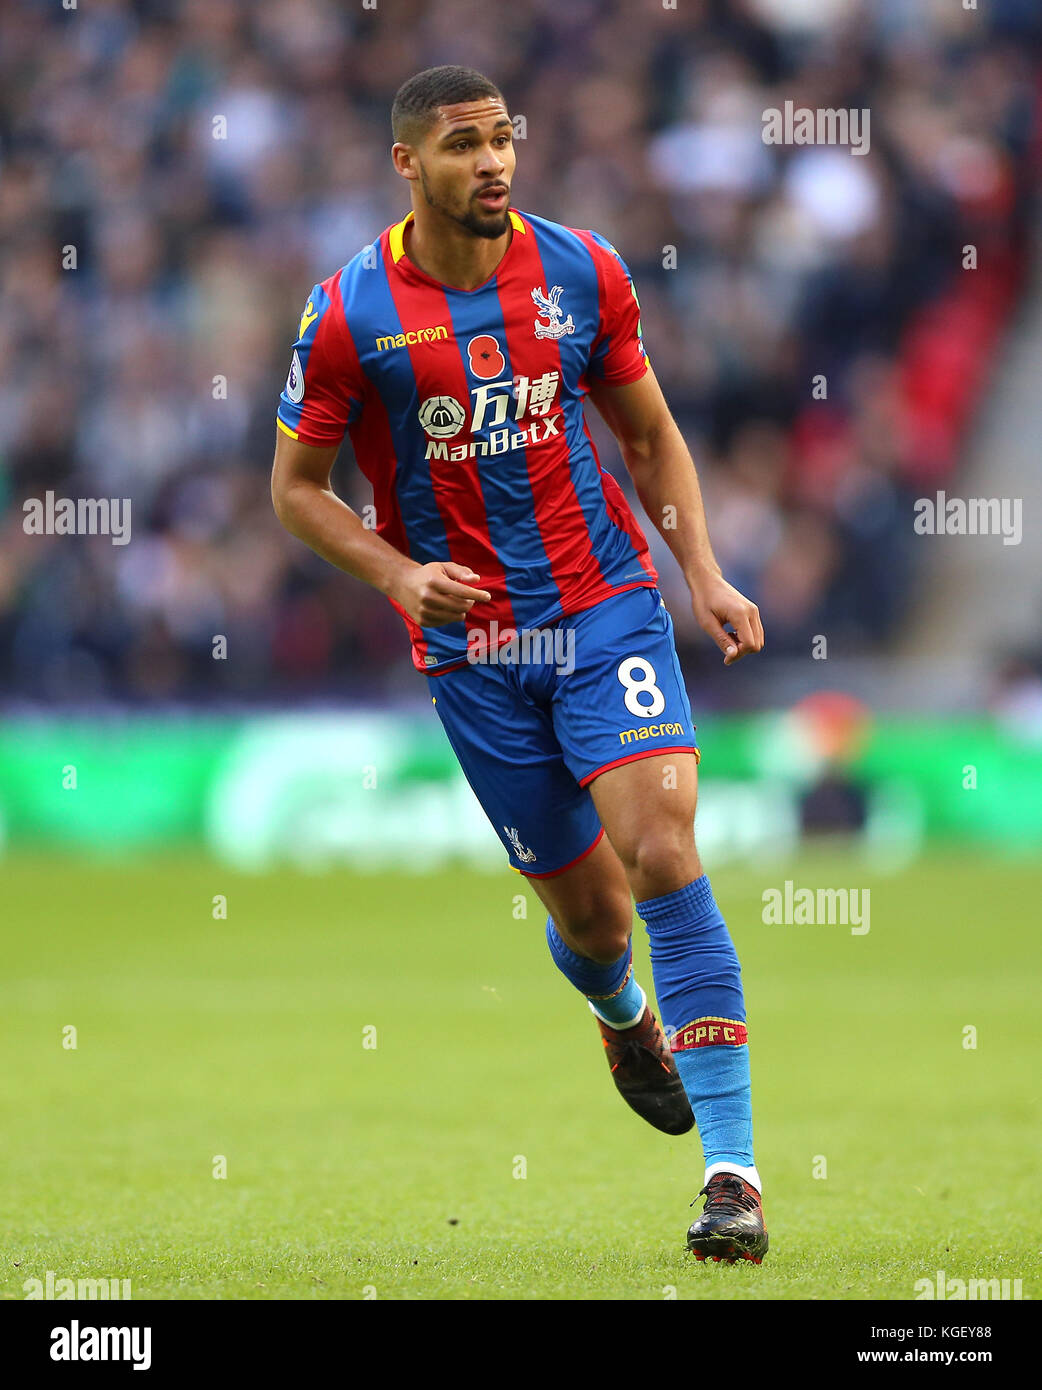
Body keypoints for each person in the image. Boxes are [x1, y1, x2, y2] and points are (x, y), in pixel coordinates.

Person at [271, 65, 767, 1263]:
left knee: (661, 845)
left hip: (604, 610)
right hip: (476, 648)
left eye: (503, 140)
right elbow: (295, 493)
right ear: (408, 165)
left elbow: (647, 434)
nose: (492, 162)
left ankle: (732, 1174)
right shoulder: (347, 314)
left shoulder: (582, 269)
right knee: (594, 922)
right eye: (462, 145)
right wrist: (395, 575)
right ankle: (619, 1012)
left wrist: (699, 570)